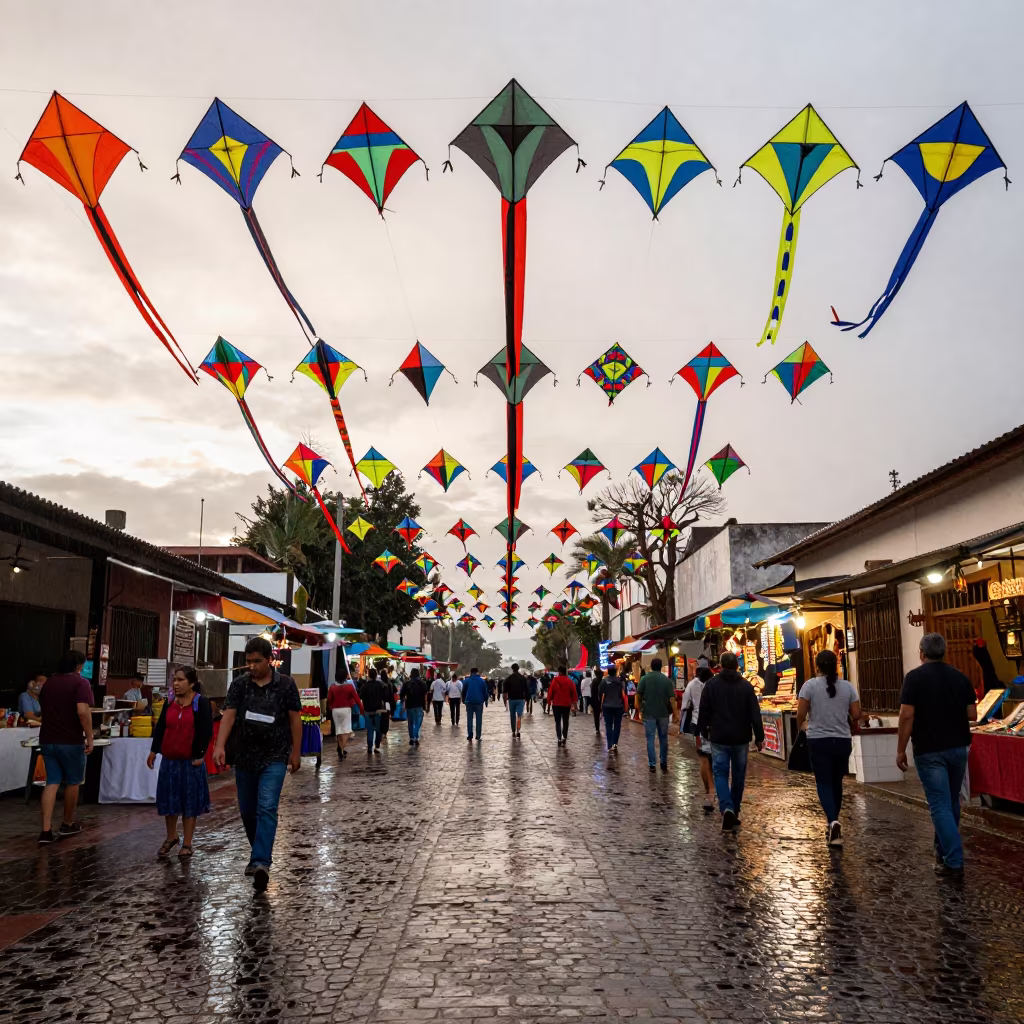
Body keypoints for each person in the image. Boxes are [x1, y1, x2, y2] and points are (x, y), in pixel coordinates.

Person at [213, 638, 301, 891]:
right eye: (248, 662)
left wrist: (296, 752)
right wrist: (219, 745)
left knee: (267, 807)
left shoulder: (286, 685)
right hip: (245, 757)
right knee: (248, 811)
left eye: (256, 661)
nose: (251, 666)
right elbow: (229, 714)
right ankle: (257, 853)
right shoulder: (239, 685)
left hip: (275, 756)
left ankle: (261, 861)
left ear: (269, 659)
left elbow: (295, 719)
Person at [896, 632, 978, 878]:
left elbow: (906, 715)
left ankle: (953, 859)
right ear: (945, 652)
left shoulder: (914, 679)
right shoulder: (960, 677)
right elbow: (972, 714)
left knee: (940, 804)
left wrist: (901, 748)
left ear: (922, 653)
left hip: (929, 749)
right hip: (958, 747)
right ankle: (942, 852)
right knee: (951, 801)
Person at [797, 650, 861, 847]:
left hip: (819, 740)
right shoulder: (848, 687)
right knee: (837, 781)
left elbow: (801, 713)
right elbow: (857, 713)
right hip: (842, 740)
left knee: (824, 782)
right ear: (835, 665)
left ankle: (833, 821)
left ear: (817, 666)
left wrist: (805, 726)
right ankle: (832, 822)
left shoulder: (809, 686)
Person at [147, 667, 213, 859]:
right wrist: (154, 750)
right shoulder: (169, 703)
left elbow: (206, 731)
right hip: (170, 761)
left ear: (191, 683)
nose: (175, 684)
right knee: (170, 800)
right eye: (174, 680)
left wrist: (199, 755)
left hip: (190, 762)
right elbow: (160, 728)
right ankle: (171, 836)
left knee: (189, 801)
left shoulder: (200, 703)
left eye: (180, 680)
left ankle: (187, 843)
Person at [697, 651, 764, 833]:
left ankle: (726, 807)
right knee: (739, 775)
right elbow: (754, 713)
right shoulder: (746, 686)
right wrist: (759, 736)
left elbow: (704, 710)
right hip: (741, 737)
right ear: (737, 666)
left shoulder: (711, 685)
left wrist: (703, 730)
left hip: (719, 736)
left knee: (720, 773)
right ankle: (733, 810)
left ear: (720, 665)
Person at [37, 650, 93, 844]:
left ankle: (45, 831)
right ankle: (67, 823)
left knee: (51, 782)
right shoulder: (81, 683)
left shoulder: (49, 683)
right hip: (70, 740)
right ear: (78, 666)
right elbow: (83, 712)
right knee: (73, 782)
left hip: (47, 738)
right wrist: (90, 737)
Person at [681, 666, 715, 812]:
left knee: (703, 758)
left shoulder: (691, 685)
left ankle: (709, 790)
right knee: (715, 757)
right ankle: (714, 789)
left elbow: (685, 704)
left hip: (697, 725)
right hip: (715, 725)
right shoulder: (715, 684)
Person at [637, 658, 676, 773]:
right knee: (663, 738)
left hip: (649, 713)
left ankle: (652, 764)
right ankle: (663, 762)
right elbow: (672, 698)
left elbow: (638, 694)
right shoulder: (667, 680)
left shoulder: (644, 679)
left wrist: (639, 708)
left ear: (651, 666)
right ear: (661, 667)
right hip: (663, 713)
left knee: (650, 738)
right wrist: (675, 713)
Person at [326, 673, 363, 760]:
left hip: (335, 710)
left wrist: (330, 708)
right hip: (346, 710)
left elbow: (329, 699)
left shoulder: (332, 687)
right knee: (347, 731)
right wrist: (361, 709)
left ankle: (340, 747)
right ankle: (341, 748)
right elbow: (356, 698)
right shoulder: (349, 687)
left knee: (338, 730)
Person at [358, 668, 387, 753]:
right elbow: (385, 695)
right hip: (378, 710)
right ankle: (377, 746)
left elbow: (360, 697)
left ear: (368, 675)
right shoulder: (380, 685)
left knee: (370, 730)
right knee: (378, 729)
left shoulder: (364, 686)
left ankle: (370, 747)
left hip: (367, 711)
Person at [598, 666, 626, 754]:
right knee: (617, 725)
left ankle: (609, 745)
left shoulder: (604, 681)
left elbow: (599, 692)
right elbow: (623, 692)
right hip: (618, 706)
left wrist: (601, 701)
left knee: (608, 726)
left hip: (607, 706)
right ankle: (615, 744)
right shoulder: (620, 681)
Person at [548, 665, 577, 747]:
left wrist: (549, 703)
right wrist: (574, 704)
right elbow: (574, 693)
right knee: (565, 721)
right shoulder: (570, 681)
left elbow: (550, 692)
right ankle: (564, 737)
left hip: (556, 704)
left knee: (557, 722)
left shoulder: (555, 680)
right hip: (566, 704)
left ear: (559, 672)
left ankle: (559, 738)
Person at [400, 669, 429, 747]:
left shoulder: (406, 684)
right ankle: (416, 736)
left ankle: (412, 738)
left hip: (410, 706)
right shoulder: (422, 684)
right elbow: (425, 696)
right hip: (419, 706)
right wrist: (425, 706)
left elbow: (402, 695)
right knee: (418, 722)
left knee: (410, 722)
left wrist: (403, 705)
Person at [462, 667, 489, 742]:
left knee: (469, 718)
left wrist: (463, 699)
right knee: (479, 719)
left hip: (469, 701)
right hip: (479, 702)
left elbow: (463, 691)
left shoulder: (467, 681)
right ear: (477, 672)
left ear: (470, 672)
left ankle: (470, 734)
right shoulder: (482, 681)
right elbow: (485, 692)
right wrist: (486, 700)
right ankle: (478, 735)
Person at [503, 663, 528, 738]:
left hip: (512, 699)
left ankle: (513, 731)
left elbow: (505, 691)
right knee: (519, 715)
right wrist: (526, 699)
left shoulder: (509, 678)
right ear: (518, 668)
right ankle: (518, 730)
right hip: (520, 699)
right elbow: (526, 689)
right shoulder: (522, 678)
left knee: (512, 715)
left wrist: (505, 701)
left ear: (512, 669)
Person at [378, 669, 395, 749]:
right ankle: (385, 732)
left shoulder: (379, 684)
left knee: (381, 717)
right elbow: (393, 693)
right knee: (386, 718)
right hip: (388, 703)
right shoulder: (389, 683)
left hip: (381, 704)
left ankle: (381, 731)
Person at [591, 669, 603, 735]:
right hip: (603, 700)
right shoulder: (603, 681)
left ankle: (597, 729)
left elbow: (592, 692)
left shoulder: (594, 681)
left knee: (596, 716)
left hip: (595, 700)